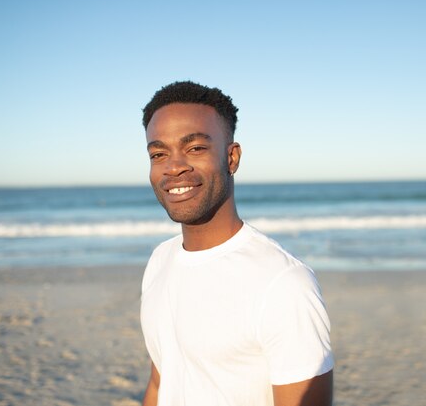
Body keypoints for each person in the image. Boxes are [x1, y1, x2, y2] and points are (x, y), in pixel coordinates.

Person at [139, 81, 334, 406]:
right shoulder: (160, 260)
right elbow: (161, 381)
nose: (173, 167)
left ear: (232, 158)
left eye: (195, 148)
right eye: (159, 153)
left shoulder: (284, 284)